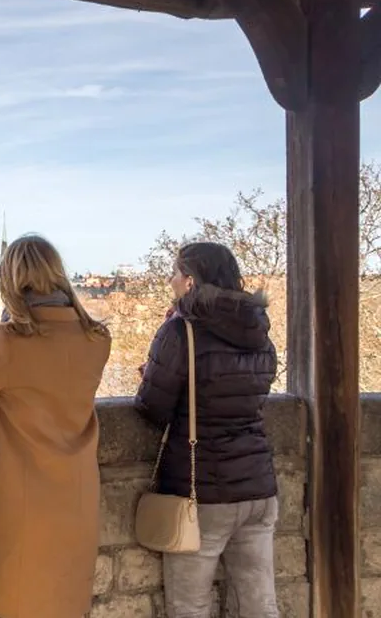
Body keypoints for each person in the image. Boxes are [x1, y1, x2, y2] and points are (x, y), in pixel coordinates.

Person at [0, 235, 111, 618]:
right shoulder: (97, 338)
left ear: (10, 280)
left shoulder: (10, 342)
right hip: (79, 499)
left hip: (28, 510)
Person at [135, 242, 278, 618]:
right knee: (259, 605)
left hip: (204, 491)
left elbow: (153, 408)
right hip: (259, 487)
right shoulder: (260, 332)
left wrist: (153, 375)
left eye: (174, 273)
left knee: (190, 607)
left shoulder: (181, 331)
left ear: (190, 281)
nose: (170, 280)